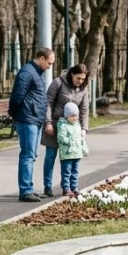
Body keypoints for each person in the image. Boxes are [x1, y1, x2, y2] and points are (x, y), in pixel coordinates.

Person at [9, 47, 55, 202]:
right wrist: (15, 114)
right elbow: (17, 97)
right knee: (28, 155)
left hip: (34, 118)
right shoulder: (27, 72)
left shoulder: (35, 72)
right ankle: (25, 190)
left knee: (32, 155)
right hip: (27, 118)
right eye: (49, 63)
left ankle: (28, 188)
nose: (49, 67)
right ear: (41, 59)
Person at [42, 64, 90, 197]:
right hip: (54, 126)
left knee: (71, 160)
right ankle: (48, 186)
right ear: (72, 74)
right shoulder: (58, 83)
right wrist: (48, 122)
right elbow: (48, 103)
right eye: (78, 78)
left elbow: (84, 110)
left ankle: (69, 186)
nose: (80, 81)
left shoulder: (83, 89)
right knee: (50, 156)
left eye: (83, 79)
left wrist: (84, 129)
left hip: (72, 129)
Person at [55, 102, 89, 198]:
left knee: (75, 171)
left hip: (76, 153)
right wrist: (70, 141)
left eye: (76, 116)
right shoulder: (62, 125)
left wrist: (84, 149)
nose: (75, 118)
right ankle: (66, 188)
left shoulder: (77, 126)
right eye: (72, 116)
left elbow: (81, 139)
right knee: (66, 172)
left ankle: (74, 187)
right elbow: (61, 138)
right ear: (67, 116)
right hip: (67, 153)